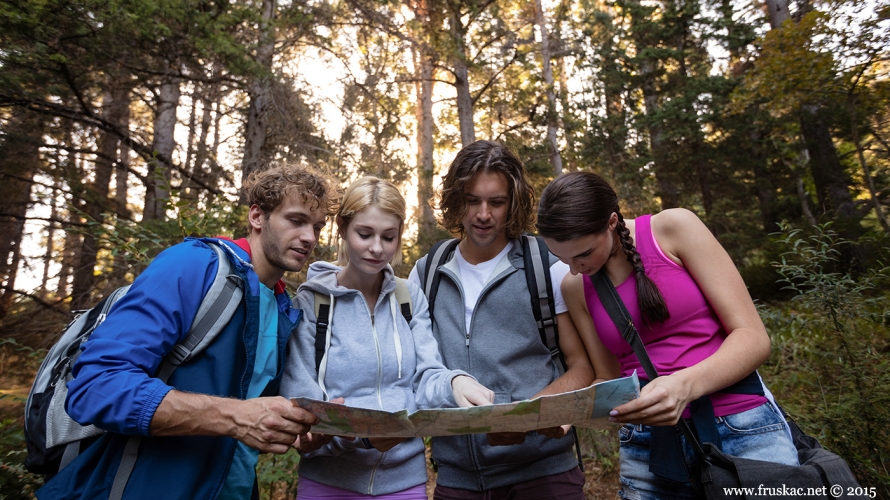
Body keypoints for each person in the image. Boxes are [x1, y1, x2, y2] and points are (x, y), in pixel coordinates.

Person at [37, 164, 339, 500]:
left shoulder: (286, 309)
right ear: (257, 216)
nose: (310, 237)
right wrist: (236, 417)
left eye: (317, 226)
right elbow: (96, 386)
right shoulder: (194, 266)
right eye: (296, 220)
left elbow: (239, 429)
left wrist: (290, 432)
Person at [536, 171, 799, 499]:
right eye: (563, 259)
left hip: (740, 424)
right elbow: (608, 375)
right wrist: (568, 414)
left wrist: (684, 386)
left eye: (583, 254)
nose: (574, 268)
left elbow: (753, 337)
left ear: (611, 222)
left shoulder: (673, 229)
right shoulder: (575, 286)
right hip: (648, 446)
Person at [408, 140, 601, 499]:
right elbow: (415, 368)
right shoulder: (426, 272)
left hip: (545, 477)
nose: (483, 214)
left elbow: (581, 367)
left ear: (512, 203)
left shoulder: (547, 266)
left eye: (496, 202)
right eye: (472, 200)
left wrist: (528, 418)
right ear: (456, 199)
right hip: (457, 480)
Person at [280, 176, 493, 499]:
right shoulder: (312, 303)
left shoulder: (409, 298)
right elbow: (302, 395)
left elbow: (426, 375)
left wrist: (453, 383)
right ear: (342, 228)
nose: (377, 248)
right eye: (364, 234)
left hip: (404, 483)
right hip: (329, 483)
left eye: (388, 237)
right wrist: (358, 436)